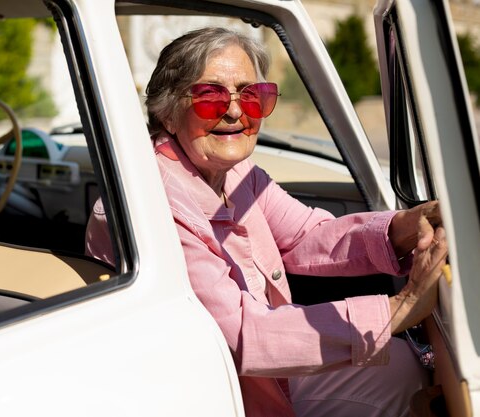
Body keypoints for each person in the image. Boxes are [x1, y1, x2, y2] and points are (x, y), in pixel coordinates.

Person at [85, 27, 448, 417]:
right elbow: (242, 332)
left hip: (264, 377)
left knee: (400, 365)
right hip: (208, 393)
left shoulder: (239, 173)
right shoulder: (154, 204)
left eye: (252, 96)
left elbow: (308, 236)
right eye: (211, 97)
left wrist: (411, 224)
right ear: (168, 112)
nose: (236, 112)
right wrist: (399, 308)